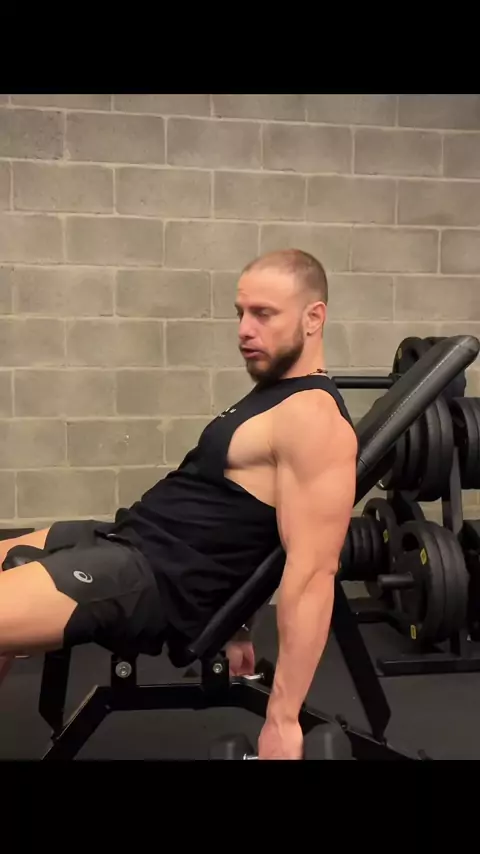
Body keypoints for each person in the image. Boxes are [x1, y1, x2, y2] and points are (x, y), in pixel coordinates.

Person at [0, 248, 357, 759]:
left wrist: (282, 719)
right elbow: (244, 524)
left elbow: (312, 573)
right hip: (126, 538)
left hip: (150, 578)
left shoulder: (314, 420)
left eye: (263, 314)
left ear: (313, 317)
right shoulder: (276, 394)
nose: (244, 330)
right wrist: (238, 624)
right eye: (241, 313)